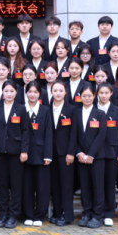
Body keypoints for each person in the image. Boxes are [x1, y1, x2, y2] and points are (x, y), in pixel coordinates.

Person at [0, 80, 29, 229]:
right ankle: (3, 214)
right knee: (2, 184)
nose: (9, 94)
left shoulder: (21, 108)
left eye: (12, 91)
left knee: (16, 185)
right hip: (0, 151)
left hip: (16, 152)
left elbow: (25, 131)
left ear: (16, 93)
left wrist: (24, 150)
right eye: (6, 91)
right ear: (2, 92)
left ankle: (14, 215)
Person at [75, 83, 108, 229]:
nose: (87, 98)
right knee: (85, 186)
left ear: (94, 96)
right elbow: (74, 135)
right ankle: (87, 213)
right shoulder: (76, 113)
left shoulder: (100, 114)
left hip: (96, 157)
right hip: (81, 157)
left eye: (89, 95)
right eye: (84, 96)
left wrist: (91, 155)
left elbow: (101, 136)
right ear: (80, 97)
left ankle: (97, 215)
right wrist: (79, 153)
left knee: (97, 187)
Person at [22, 81, 53, 226]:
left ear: (40, 93)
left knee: (42, 187)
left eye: (35, 92)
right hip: (25, 155)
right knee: (27, 186)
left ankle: (40, 215)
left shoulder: (45, 110)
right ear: (26, 93)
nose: (32, 94)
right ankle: (28, 214)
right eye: (30, 92)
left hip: (41, 155)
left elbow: (49, 134)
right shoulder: (21, 109)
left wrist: (48, 155)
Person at [96, 83, 118, 227]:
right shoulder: (93, 109)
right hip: (96, 152)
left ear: (111, 94)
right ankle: (98, 212)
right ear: (97, 94)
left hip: (112, 151)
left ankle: (108, 213)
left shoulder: (117, 111)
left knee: (109, 184)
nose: (103, 96)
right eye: (101, 93)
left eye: (106, 93)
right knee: (97, 183)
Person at [49, 81, 78, 227]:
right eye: (55, 90)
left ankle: (67, 215)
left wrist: (71, 152)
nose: (58, 93)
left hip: (66, 152)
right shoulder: (47, 108)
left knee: (66, 185)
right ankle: (57, 213)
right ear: (51, 92)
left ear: (65, 92)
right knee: (55, 185)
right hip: (51, 152)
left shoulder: (71, 109)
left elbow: (74, 133)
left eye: (61, 90)